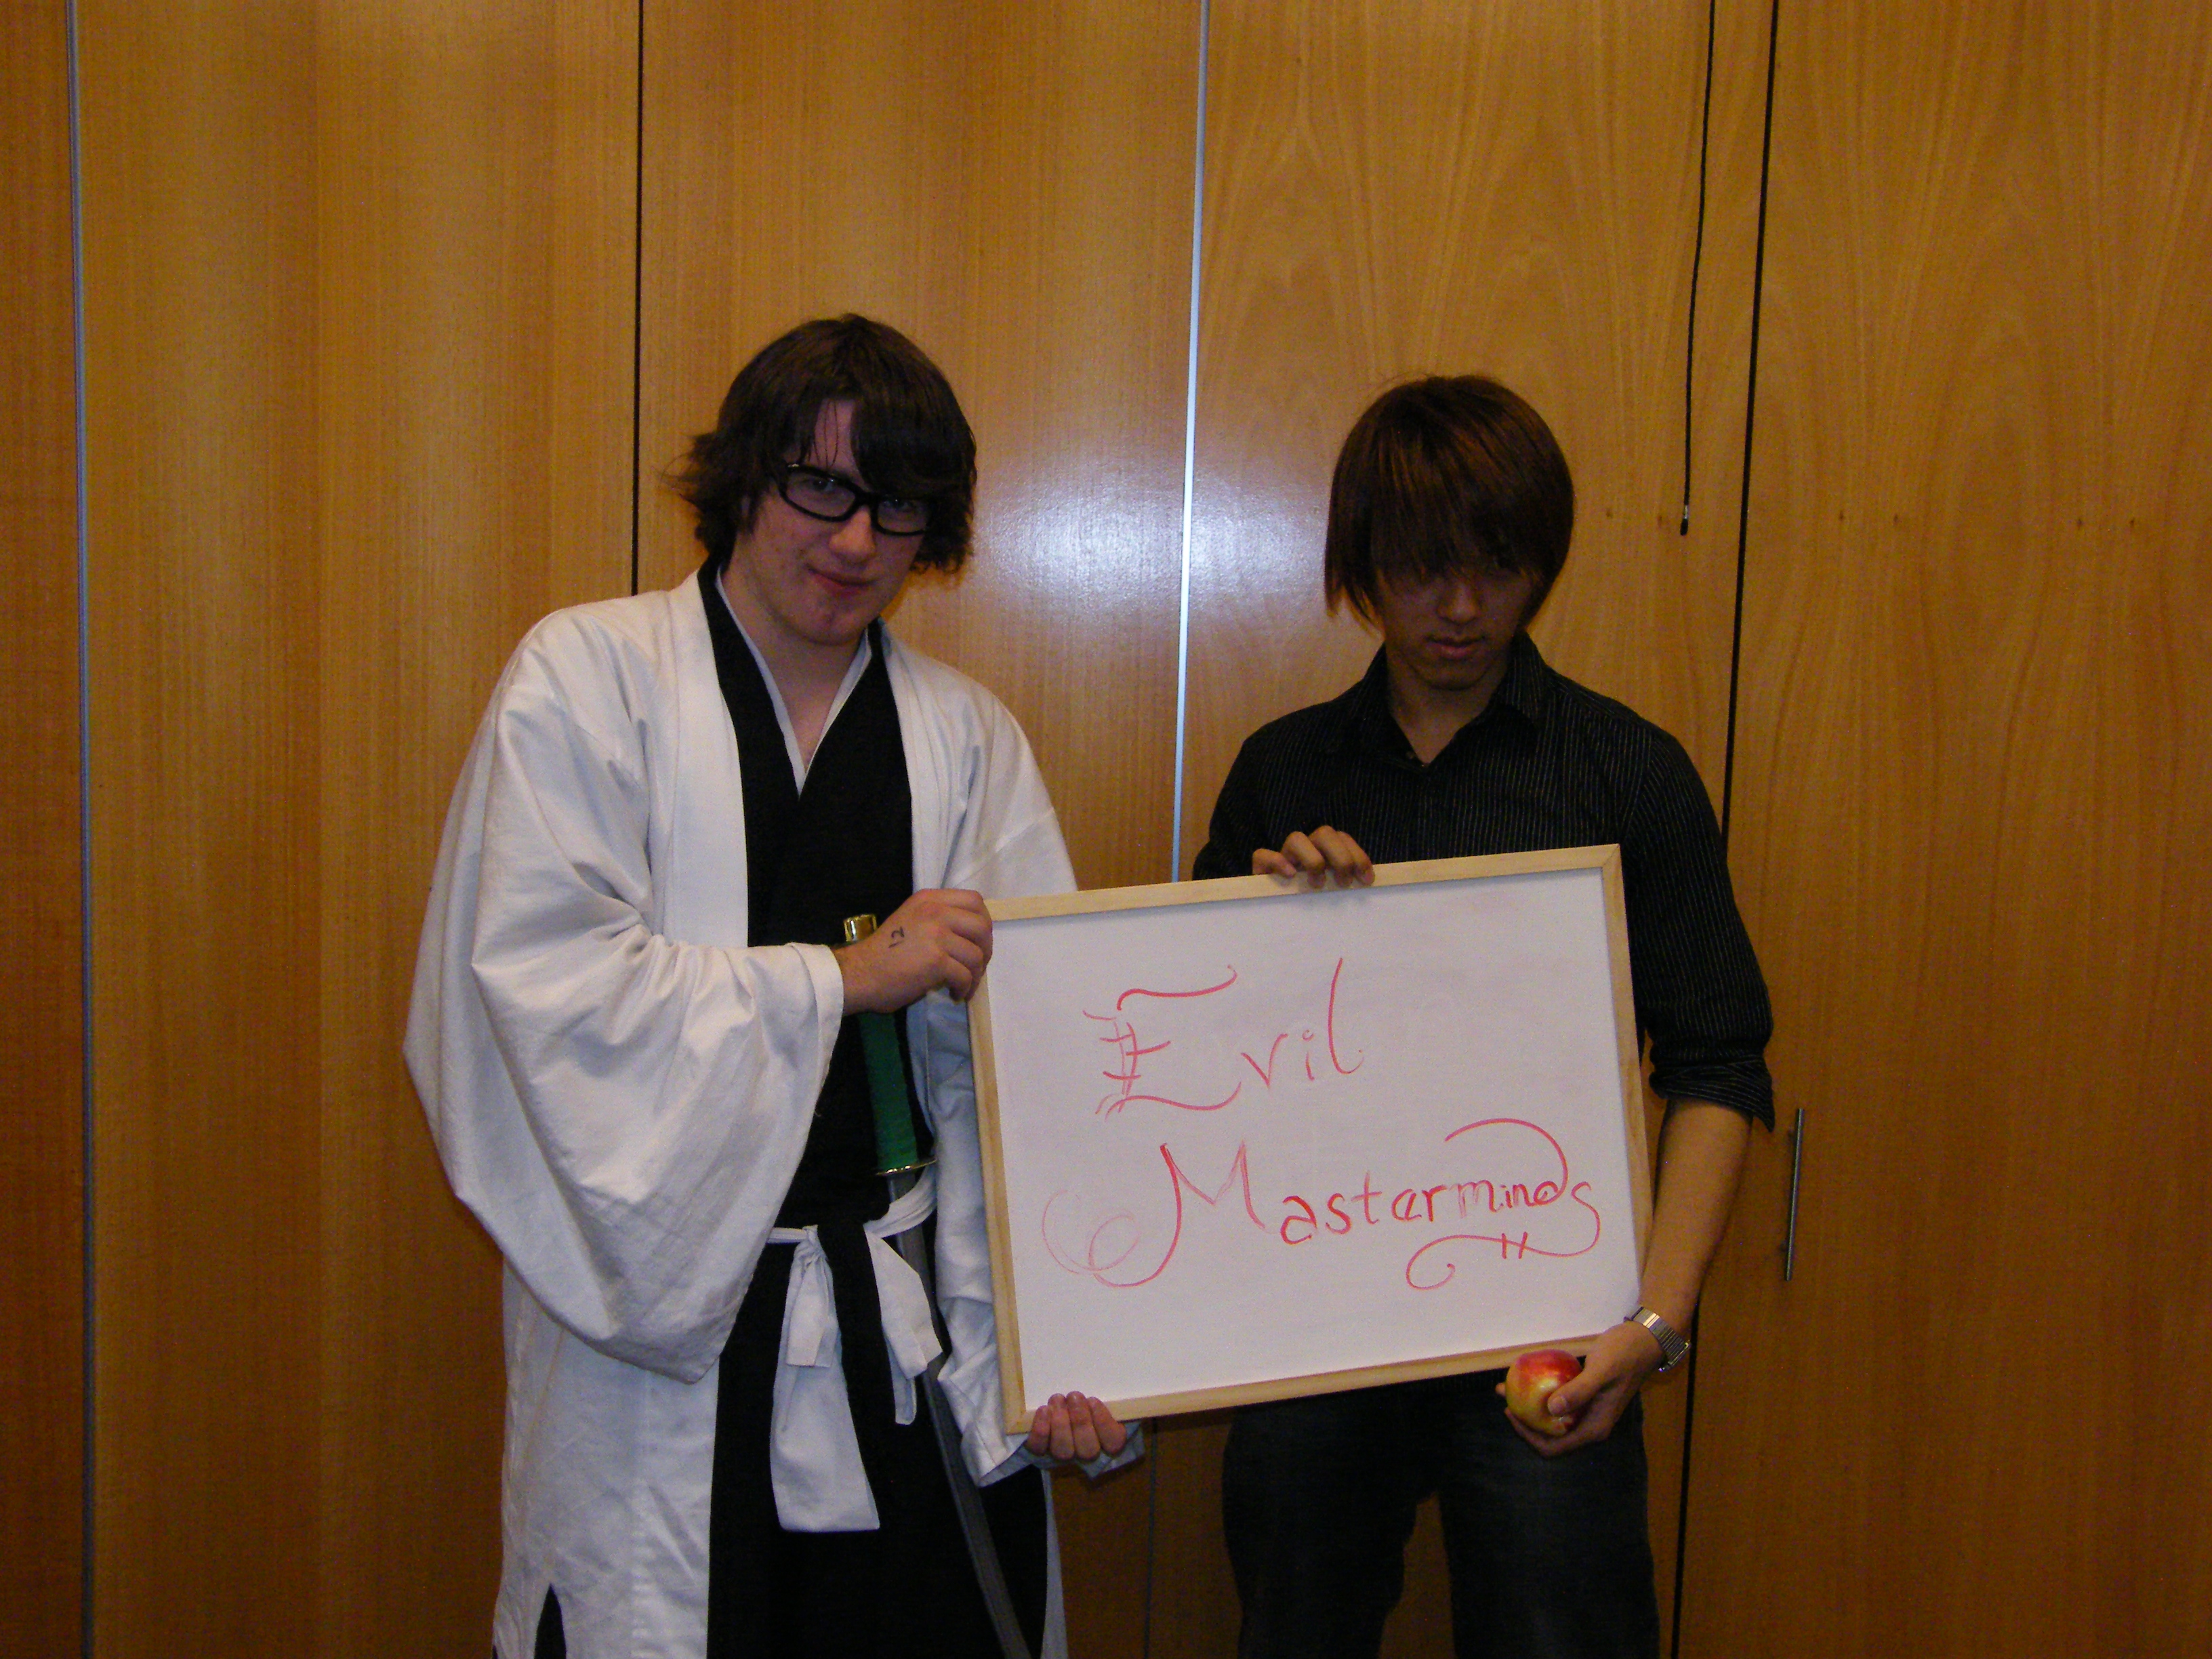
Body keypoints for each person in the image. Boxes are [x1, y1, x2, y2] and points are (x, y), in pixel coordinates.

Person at [407, 314, 1129, 1659]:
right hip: (667, 1343)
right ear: (744, 478)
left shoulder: (966, 737)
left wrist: (1070, 1346)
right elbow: (533, 996)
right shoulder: (588, 682)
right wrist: (841, 980)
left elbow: (1048, 1078)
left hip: (905, 1335)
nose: (855, 540)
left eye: (897, 507)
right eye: (820, 488)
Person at [1193, 376, 1773, 1659]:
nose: (1462, 608)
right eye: (1421, 569)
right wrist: (1263, 932)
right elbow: (1202, 1072)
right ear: (1362, 566)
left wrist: (1656, 1325)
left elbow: (1721, 1063)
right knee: (1295, 1628)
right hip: (1319, 1322)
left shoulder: (1627, 770)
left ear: (1543, 565)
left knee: (1563, 1632)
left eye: (1499, 567)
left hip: (1552, 1320)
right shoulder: (1285, 771)